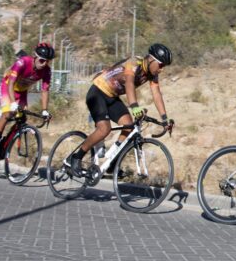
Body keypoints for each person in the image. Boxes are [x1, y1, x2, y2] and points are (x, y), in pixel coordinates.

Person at [66, 43, 174, 175]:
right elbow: (129, 83)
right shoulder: (134, 62)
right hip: (98, 92)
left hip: (112, 96)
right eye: (161, 65)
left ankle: (112, 163)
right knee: (104, 129)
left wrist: (164, 119)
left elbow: (157, 94)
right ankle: (76, 157)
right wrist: (134, 108)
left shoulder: (152, 74)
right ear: (151, 60)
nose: (162, 69)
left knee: (129, 126)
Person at [0, 42, 54, 160]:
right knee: (8, 113)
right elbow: (11, 83)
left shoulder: (46, 71)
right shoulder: (23, 62)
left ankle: (5, 144)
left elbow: (45, 90)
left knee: (22, 118)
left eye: (48, 61)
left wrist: (45, 110)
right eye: (42, 60)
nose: (44, 64)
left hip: (22, 91)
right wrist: (13, 103)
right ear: (35, 56)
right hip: (8, 87)